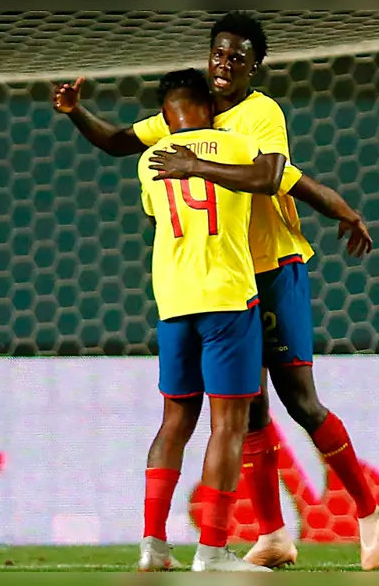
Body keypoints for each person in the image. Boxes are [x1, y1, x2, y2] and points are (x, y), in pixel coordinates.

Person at [52, 11, 379, 571]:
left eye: (237, 57)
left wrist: (343, 210)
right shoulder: (189, 113)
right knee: (247, 410)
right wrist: (75, 113)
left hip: (272, 265)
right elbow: (117, 141)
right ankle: (274, 534)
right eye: (218, 53)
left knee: (300, 402)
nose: (224, 64)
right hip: (226, 279)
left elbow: (275, 176)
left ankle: (368, 511)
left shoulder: (261, 114)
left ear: (254, 66)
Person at [136, 68, 270, 573]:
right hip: (228, 299)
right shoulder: (236, 145)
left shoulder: (150, 160)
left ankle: (153, 545)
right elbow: (267, 180)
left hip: (173, 303)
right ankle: (212, 550)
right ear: (208, 105)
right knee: (228, 425)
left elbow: (156, 217)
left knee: (174, 422)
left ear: (165, 114)